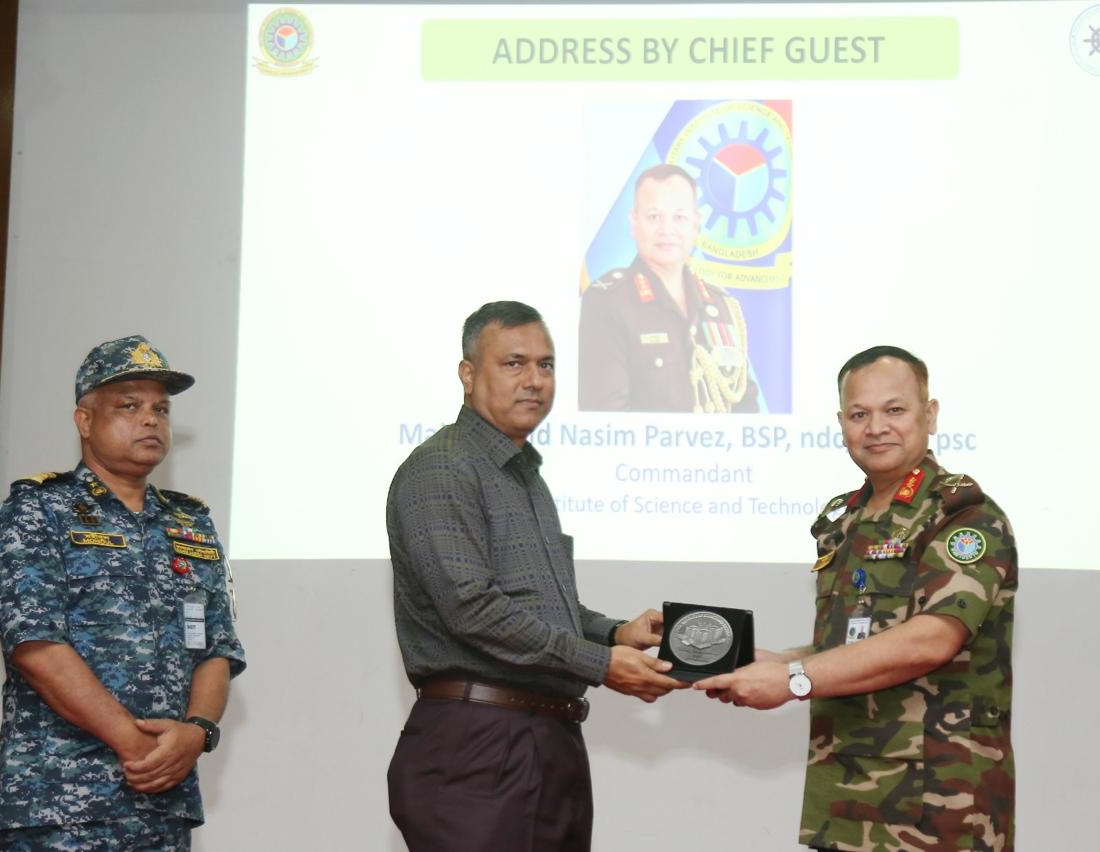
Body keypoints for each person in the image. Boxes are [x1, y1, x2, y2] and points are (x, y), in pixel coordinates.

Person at [386, 301, 686, 851]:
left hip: (548, 741)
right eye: (514, 364)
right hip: (477, 746)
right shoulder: (442, 466)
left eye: (545, 365)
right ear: (468, 374)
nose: (534, 380)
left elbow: (541, 607)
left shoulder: (525, 475)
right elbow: (472, 609)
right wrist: (601, 664)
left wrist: (615, 634)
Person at [695, 345, 1017, 852]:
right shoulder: (844, 521)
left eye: (895, 410)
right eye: (859, 414)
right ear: (842, 423)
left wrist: (792, 680)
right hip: (845, 796)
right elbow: (859, 640)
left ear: (930, 416)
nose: (876, 428)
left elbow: (931, 640)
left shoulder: (965, 517)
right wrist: (776, 659)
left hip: (939, 803)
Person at [0, 335, 246, 851]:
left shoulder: (191, 523)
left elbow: (216, 648)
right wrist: (135, 745)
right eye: (129, 406)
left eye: (160, 409)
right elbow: (37, 647)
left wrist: (197, 732)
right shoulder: (38, 510)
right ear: (85, 421)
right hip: (59, 804)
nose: (150, 419)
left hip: (163, 806)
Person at [578, 163, 760, 413]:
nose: (667, 230)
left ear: (696, 224)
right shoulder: (607, 301)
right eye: (654, 217)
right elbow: (606, 416)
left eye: (679, 217)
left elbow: (746, 408)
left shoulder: (720, 305)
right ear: (634, 222)